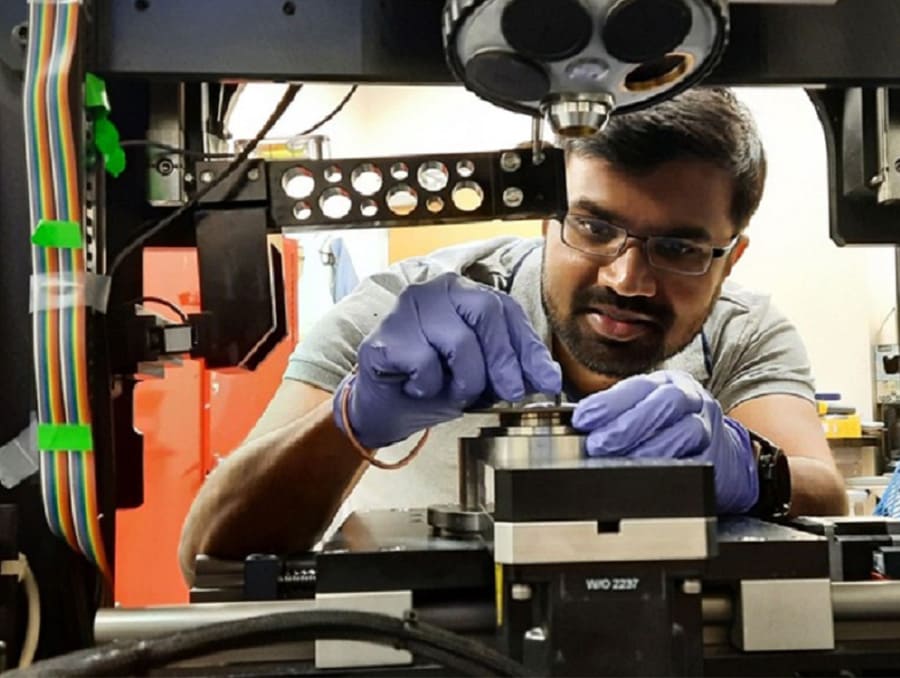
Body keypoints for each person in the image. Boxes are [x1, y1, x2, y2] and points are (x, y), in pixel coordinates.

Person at [178, 88, 847, 583]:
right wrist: (352, 420)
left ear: (732, 255)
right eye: (593, 227)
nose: (627, 278)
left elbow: (828, 500)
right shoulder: (404, 308)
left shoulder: (742, 330)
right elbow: (205, 549)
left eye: (678, 247)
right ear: (540, 215)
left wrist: (750, 467)